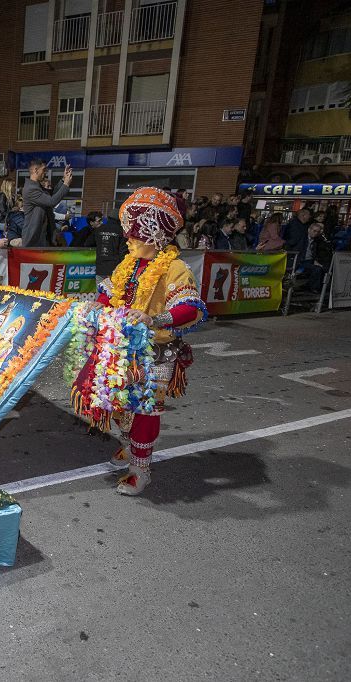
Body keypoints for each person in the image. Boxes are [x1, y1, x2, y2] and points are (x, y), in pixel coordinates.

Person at [73, 187, 207, 496]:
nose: (128, 240)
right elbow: (109, 296)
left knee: (146, 410)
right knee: (119, 404)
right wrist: (97, 306)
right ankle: (128, 446)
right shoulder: (128, 264)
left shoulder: (175, 268)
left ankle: (140, 470)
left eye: (136, 237)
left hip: (156, 352)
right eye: (128, 236)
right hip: (121, 349)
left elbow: (191, 308)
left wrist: (154, 319)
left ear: (157, 238)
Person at [21, 159, 72, 247]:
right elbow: (51, 201)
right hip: (34, 239)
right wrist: (66, 184)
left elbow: (51, 194)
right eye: (44, 170)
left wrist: (63, 180)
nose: (46, 172)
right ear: (35, 170)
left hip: (45, 236)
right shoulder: (30, 189)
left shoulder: (37, 186)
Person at [82, 211, 127, 286]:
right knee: (114, 294)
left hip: (101, 267)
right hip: (115, 268)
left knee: (100, 293)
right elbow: (123, 251)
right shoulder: (122, 231)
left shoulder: (99, 229)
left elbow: (87, 243)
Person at [296, 222, 332, 293]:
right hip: (300, 261)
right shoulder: (302, 238)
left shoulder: (315, 241)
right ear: (309, 229)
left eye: (317, 232)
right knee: (317, 269)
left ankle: (323, 289)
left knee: (326, 268)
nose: (315, 233)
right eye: (314, 231)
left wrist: (315, 261)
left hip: (310, 261)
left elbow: (313, 254)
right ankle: (314, 288)